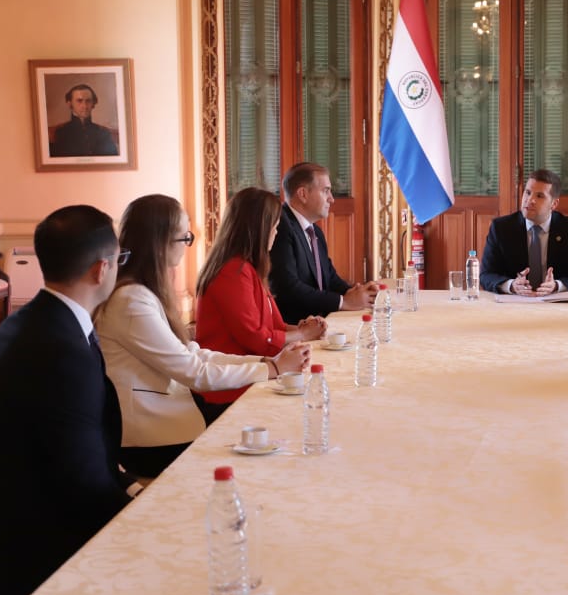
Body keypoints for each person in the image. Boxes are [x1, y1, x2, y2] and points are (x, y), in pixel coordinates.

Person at [0, 205, 137, 595]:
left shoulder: (31, 321)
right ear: (101, 269)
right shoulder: (61, 349)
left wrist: (129, 486)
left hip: (10, 513)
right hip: (27, 548)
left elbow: (78, 443)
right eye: (119, 260)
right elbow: (82, 482)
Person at [96, 194, 310, 478]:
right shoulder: (132, 301)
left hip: (172, 417)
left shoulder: (141, 293)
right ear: (161, 242)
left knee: (272, 435)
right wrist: (271, 368)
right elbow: (193, 372)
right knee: (266, 450)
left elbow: (194, 352)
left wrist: (268, 362)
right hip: (151, 437)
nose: (186, 246)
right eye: (184, 238)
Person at [195, 187, 327, 410]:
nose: (276, 234)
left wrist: (301, 327)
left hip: (251, 375)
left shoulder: (247, 267)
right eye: (274, 228)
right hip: (230, 388)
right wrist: (303, 334)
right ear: (259, 230)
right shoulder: (232, 271)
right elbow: (256, 338)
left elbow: (274, 326)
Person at [269, 162, 378, 322]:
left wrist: (358, 292)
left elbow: (329, 277)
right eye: (325, 191)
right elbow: (287, 287)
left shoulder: (314, 230)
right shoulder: (281, 226)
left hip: (319, 322)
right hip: (295, 328)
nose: (332, 199)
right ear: (303, 194)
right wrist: (344, 302)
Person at [480, 168, 568, 295]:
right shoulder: (501, 228)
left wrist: (556, 286)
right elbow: (486, 275)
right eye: (528, 192)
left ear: (554, 204)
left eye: (539, 196)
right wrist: (512, 285)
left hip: (557, 306)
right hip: (514, 306)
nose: (530, 200)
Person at [49, 83, 120, 157]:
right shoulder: (59, 132)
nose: (84, 106)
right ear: (70, 104)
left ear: (93, 104)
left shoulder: (103, 133)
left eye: (88, 101)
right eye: (79, 101)